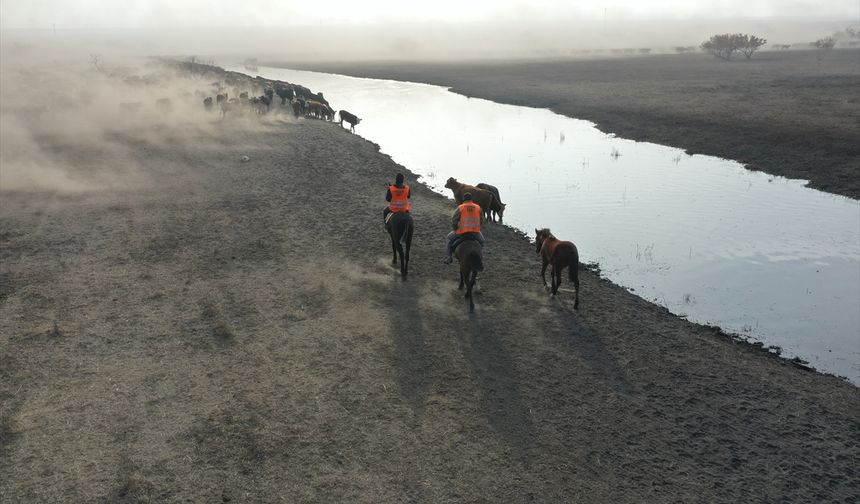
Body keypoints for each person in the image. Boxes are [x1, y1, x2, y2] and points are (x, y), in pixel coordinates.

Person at [443, 192, 485, 264]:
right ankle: (481, 255)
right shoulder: (478, 207)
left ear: (464, 200)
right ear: (471, 199)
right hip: (475, 232)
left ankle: (449, 257)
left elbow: (454, 219)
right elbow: (482, 220)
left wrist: (455, 228)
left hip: (462, 232)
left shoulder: (460, 207)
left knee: (449, 239)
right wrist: (478, 228)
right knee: (482, 242)